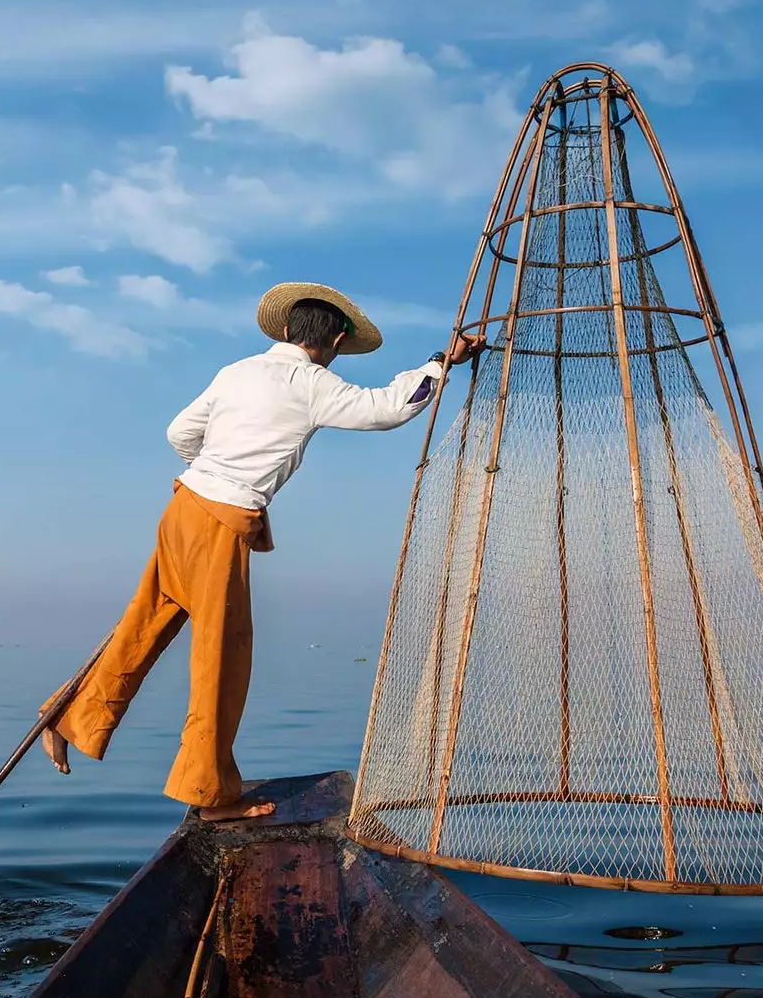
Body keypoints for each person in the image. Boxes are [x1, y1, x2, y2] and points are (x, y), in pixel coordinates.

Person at [40, 282, 475, 820]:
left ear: (288, 332)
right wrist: (439, 363)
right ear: (336, 340)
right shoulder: (313, 384)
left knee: (144, 624)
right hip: (221, 520)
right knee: (222, 656)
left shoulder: (236, 371)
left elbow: (179, 433)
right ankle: (211, 795)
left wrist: (219, 462)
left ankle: (70, 717)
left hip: (183, 506)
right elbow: (391, 408)